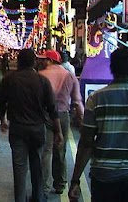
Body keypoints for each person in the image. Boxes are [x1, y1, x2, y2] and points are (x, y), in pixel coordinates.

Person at [68, 46, 128, 202]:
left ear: (111, 68)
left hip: (103, 177)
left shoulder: (96, 98)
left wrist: (75, 180)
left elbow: (86, 143)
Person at [0, 48, 63, 202]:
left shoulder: (9, 79)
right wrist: (58, 132)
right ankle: (38, 197)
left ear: (19, 61)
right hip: (37, 130)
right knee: (37, 167)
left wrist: (3, 120)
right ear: (34, 62)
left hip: (18, 129)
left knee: (19, 170)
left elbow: (0, 103)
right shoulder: (42, 81)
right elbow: (53, 109)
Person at [38, 49, 84, 196]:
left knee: (46, 151)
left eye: (44, 59)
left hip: (45, 116)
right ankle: (60, 184)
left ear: (50, 60)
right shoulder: (69, 75)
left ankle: (43, 186)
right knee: (60, 150)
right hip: (63, 115)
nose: (41, 61)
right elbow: (77, 101)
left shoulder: (41, 75)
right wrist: (82, 120)